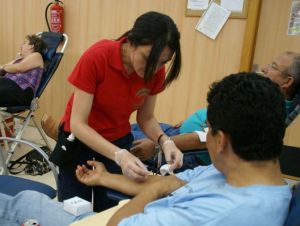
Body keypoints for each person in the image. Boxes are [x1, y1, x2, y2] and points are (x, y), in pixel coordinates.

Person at [0, 72, 291, 226]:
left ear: (221, 140)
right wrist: (104, 178)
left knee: (23, 203)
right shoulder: (237, 174)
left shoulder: (218, 214)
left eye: (208, 130)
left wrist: (154, 191)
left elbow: (157, 191)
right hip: (127, 212)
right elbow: (170, 184)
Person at [49, 11, 183, 212]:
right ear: (131, 42)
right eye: (148, 58)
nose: (154, 69)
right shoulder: (98, 57)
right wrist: (119, 155)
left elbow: (146, 118)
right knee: (74, 210)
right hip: (79, 142)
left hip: (117, 141)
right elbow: (78, 123)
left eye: (163, 62)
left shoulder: (155, 70)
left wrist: (165, 141)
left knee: (113, 209)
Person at [0, 34, 46, 106]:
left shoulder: (36, 55)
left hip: (22, 90)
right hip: (9, 85)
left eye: (24, 43)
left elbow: (18, 68)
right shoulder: (20, 59)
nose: (21, 46)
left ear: (31, 46)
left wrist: (4, 67)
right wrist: (6, 67)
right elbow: (5, 68)